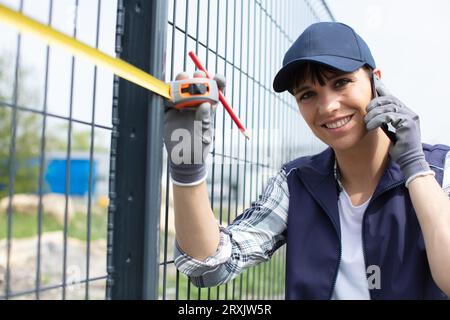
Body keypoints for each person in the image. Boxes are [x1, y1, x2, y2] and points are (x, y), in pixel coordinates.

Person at [163, 22, 450, 299]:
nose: (327, 106)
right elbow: (210, 265)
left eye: (341, 82)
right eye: (308, 94)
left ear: (376, 81)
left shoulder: (442, 169)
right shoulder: (297, 182)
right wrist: (188, 169)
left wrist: (415, 167)